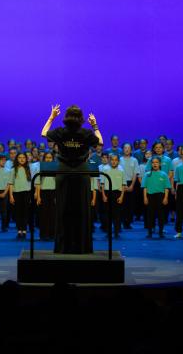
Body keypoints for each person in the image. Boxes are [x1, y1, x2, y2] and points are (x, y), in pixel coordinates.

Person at [42, 104, 103, 254]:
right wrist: (95, 125)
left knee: (63, 208)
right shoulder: (85, 133)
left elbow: (44, 133)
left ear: (66, 117)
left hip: (63, 172)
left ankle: (63, 247)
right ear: (81, 118)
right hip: (81, 172)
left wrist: (52, 116)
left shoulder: (61, 132)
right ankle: (82, 247)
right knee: (82, 209)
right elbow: (100, 142)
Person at [142, 156, 171, 238]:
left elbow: (166, 187)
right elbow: (144, 187)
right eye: (153, 162)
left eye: (156, 162)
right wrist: (145, 197)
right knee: (150, 215)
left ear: (160, 164)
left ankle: (161, 231)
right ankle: (150, 232)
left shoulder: (163, 174)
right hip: (150, 196)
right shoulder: (147, 175)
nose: (155, 164)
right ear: (151, 164)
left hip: (160, 196)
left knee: (161, 215)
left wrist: (166, 197)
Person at [100, 153, 125, 238]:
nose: (114, 162)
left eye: (116, 160)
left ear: (118, 161)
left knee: (117, 214)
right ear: (109, 160)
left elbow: (123, 184)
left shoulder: (121, 170)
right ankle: (108, 231)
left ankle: (117, 231)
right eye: (112, 160)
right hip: (107, 193)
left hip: (117, 193)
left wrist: (121, 196)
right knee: (108, 214)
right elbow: (102, 183)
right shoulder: (105, 169)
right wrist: (103, 195)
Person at [9, 152, 33, 239]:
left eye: (23, 157)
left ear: (26, 159)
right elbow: (11, 183)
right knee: (18, 213)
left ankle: (24, 230)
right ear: (17, 159)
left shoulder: (29, 169)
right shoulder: (13, 170)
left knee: (26, 212)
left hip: (27, 193)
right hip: (17, 193)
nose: (22, 159)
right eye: (19, 157)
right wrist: (11, 195)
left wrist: (32, 194)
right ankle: (19, 230)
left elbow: (32, 183)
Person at [34, 151, 57, 241]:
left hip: (53, 192)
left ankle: (52, 234)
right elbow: (38, 182)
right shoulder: (40, 167)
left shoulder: (55, 167)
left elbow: (58, 182)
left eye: (50, 157)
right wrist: (38, 196)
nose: (48, 159)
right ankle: (44, 234)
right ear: (44, 159)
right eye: (47, 157)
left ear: (52, 159)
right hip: (43, 192)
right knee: (44, 214)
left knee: (53, 214)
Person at [119, 143, 139, 230]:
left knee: (130, 204)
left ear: (131, 150)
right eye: (125, 148)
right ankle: (121, 221)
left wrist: (131, 186)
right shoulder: (119, 160)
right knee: (121, 204)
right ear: (122, 149)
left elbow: (135, 173)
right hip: (120, 183)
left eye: (128, 148)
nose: (127, 149)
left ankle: (128, 222)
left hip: (131, 182)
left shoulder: (134, 160)